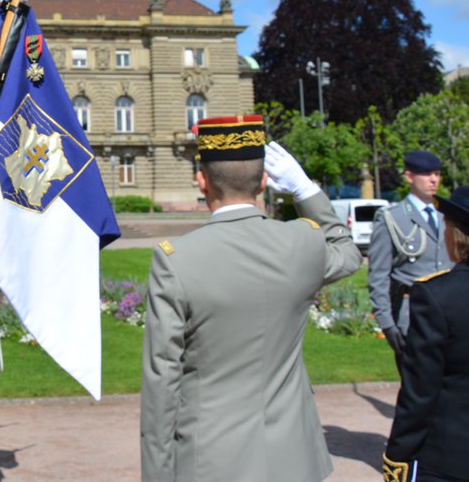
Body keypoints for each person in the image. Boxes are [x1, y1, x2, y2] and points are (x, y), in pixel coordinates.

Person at [139, 115, 362, 482]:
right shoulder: (302, 243)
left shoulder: (177, 258)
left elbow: (162, 381)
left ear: (202, 181)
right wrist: (304, 189)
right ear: (263, 182)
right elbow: (346, 250)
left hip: (212, 460)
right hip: (296, 458)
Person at [383, 185, 469, 482]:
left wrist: (397, 456)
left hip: (451, 458)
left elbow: (420, 392)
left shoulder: (437, 295)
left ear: (453, 232)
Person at [368, 150, 453, 368]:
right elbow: (378, 276)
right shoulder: (392, 217)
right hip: (412, 316)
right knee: (418, 393)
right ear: (409, 177)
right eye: (426, 174)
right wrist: (387, 324)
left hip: (450, 317)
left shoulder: (449, 214)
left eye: (436, 174)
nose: (434, 180)